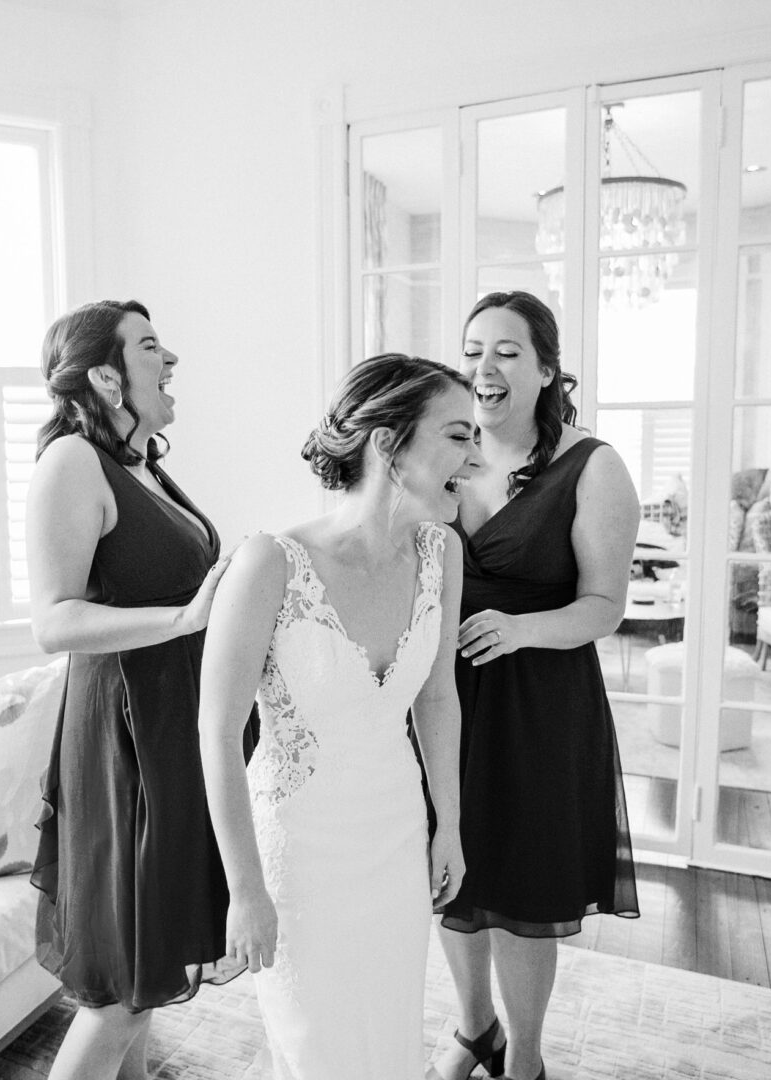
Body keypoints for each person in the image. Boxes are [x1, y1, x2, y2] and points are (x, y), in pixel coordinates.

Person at [198, 354, 480, 1078]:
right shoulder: (269, 564)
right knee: (316, 1049)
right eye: (457, 436)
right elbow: (217, 731)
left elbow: (437, 694)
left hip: (393, 841)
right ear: (389, 445)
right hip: (299, 859)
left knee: (386, 1039)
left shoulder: (442, 553)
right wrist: (245, 888)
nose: (476, 458)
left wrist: (447, 823)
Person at [26, 300, 239, 1080]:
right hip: (122, 743)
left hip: (168, 732)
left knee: (146, 979)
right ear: (107, 376)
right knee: (118, 995)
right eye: (152, 346)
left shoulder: (143, 464)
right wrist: (187, 617)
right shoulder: (72, 463)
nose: (170, 359)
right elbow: (53, 622)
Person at [432, 291, 641, 1080]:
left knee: (521, 898)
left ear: (547, 370)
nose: (483, 368)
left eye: (507, 352)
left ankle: (524, 1058)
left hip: (540, 706)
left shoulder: (593, 465)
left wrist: (520, 630)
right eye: (473, 349)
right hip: (442, 698)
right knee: (448, 878)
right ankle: (471, 1029)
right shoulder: (442, 454)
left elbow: (605, 604)